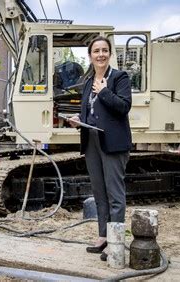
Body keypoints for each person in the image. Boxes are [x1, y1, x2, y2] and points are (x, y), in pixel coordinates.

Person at [69, 36, 132, 261]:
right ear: (90, 55)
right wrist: (78, 119)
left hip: (112, 143)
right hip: (92, 142)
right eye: (96, 51)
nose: (101, 54)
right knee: (99, 193)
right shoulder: (87, 82)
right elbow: (90, 112)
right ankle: (103, 236)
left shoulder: (119, 77)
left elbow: (124, 107)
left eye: (105, 50)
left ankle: (116, 242)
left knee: (115, 194)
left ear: (110, 53)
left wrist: (104, 91)